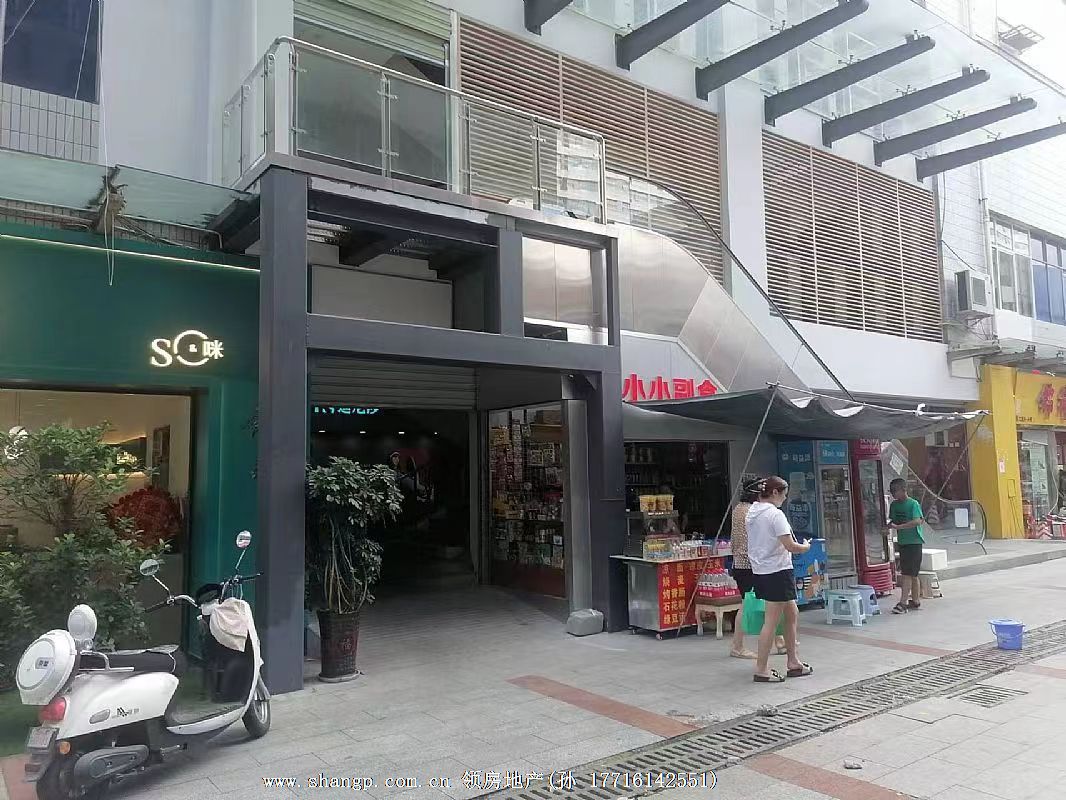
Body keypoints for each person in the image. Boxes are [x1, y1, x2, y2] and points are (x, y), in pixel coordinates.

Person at [747, 476, 813, 683]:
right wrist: (806, 547)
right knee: (772, 621)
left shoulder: (753, 512)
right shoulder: (775, 515)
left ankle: (793, 661)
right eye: (784, 494)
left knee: (791, 612)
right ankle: (762, 669)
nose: (785, 499)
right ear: (775, 493)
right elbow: (790, 545)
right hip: (777, 570)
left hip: (762, 570)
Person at [729, 477, 786, 659]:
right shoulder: (752, 511)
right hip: (751, 564)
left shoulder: (739, 509)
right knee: (750, 605)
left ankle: (780, 641)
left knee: (768, 603)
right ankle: (737, 646)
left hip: (743, 563)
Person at [888, 478, 925, 614]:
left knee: (907, 574)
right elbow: (892, 520)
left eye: (895, 491)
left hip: (914, 542)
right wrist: (888, 527)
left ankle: (903, 603)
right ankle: (915, 600)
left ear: (904, 490)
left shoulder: (913, 504)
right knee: (912, 574)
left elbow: (917, 521)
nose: (893, 494)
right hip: (903, 542)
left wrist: (899, 527)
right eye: (891, 491)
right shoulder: (894, 505)